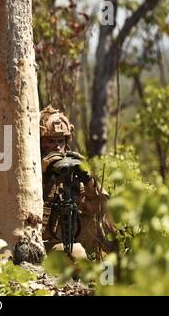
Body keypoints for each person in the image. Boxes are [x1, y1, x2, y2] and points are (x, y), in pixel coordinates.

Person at [40, 105, 115, 259]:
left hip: (70, 239)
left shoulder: (70, 167)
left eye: (61, 140)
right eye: (50, 141)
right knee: (77, 254)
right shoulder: (28, 169)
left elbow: (96, 208)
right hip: (40, 245)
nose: (57, 146)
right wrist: (43, 173)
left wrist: (88, 179)